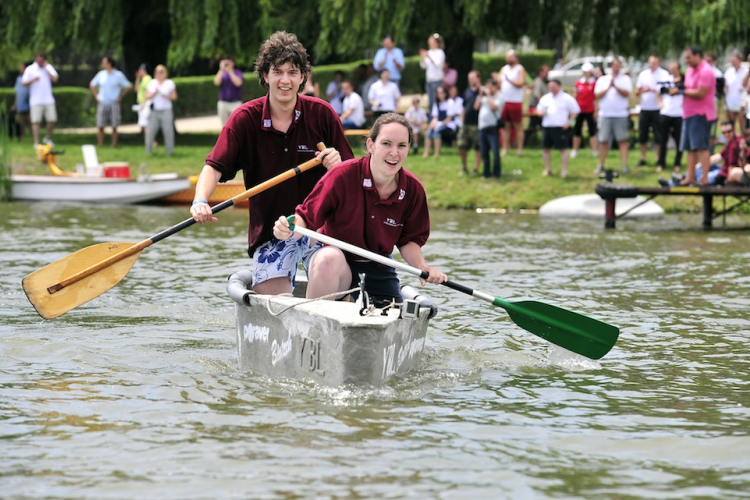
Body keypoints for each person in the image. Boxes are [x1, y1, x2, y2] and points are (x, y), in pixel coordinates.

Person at [190, 31, 354, 296]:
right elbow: (214, 166)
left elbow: (353, 179)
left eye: (293, 72)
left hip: (320, 231)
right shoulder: (244, 118)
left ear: (303, 77)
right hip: (270, 233)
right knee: (275, 305)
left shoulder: (322, 114)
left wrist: (339, 167)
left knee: (330, 267)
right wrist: (200, 200)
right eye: (278, 71)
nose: (285, 80)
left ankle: (335, 307)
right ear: (265, 75)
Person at [272, 112, 447, 304]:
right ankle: (315, 324)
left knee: (393, 317)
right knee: (329, 259)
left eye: (401, 146)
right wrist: (287, 230)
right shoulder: (342, 175)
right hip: (330, 257)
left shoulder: (414, 190)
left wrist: (423, 267)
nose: (394, 153)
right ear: (371, 145)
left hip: (378, 264)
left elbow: (409, 241)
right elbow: (306, 218)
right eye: (386, 143)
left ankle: (348, 298)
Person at [678, 46, 716, 185]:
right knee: (689, 148)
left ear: (697, 55)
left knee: (701, 147)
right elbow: (688, 88)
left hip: (701, 114)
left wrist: (681, 91)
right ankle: (690, 177)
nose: (686, 60)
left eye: (689, 57)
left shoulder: (706, 71)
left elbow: (700, 93)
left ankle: (704, 179)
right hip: (688, 114)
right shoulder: (689, 71)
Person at [662, 122, 741, 187]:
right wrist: (701, 165)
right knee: (702, 168)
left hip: (725, 175)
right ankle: (682, 178)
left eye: (729, 131)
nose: (726, 135)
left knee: (702, 174)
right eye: (724, 133)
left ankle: (675, 182)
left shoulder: (735, 144)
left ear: (734, 130)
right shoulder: (731, 143)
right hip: (722, 170)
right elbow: (718, 157)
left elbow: (732, 166)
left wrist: (729, 181)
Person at [594, 58, 633, 174]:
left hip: (620, 114)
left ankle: (624, 165)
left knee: (622, 140)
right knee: (603, 141)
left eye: (618, 65)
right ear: (611, 67)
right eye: (614, 65)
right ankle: (600, 164)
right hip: (605, 114)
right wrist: (608, 87)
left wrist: (615, 86)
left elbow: (627, 93)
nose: (616, 68)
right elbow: (597, 95)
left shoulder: (625, 79)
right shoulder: (602, 80)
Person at [537, 79, 580, 178]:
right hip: (547, 126)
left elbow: (576, 111)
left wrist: (570, 122)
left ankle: (564, 170)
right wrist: (541, 113)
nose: (552, 88)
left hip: (560, 127)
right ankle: (547, 168)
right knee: (545, 148)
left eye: (554, 86)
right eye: (550, 86)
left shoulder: (566, 98)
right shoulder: (545, 98)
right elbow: (538, 110)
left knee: (563, 148)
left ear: (559, 86)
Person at [89, 56, 132, 148]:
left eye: (104, 62)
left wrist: (120, 96)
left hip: (114, 103)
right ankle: (100, 145)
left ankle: (114, 145)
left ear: (109, 63)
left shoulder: (118, 75)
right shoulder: (101, 74)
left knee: (114, 126)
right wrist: (96, 96)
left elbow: (128, 86)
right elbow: (92, 85)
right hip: (102, 102)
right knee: (100, 126)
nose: (102, 63)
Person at [636, 55, 670, 167]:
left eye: (654, 62)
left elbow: (666, 90)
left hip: (658, 108)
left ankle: (658, 157)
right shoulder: (643, 74)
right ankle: (643, 158)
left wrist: (652, 89)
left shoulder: (664, 74)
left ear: (659, 63)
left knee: (658, 134)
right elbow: (637, 90)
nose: (652, 64)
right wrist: (641, 91)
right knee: (643, 134)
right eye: (650, 62)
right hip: (645, 107)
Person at [494, 49, 527, 157]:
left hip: (515, 101)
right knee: (506, 126)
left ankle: (520, 149)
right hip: (505, 101)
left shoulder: (520, 69)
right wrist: (496, 79)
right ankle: (505, 148)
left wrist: (509, 80)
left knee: (518, 126)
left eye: (510, 57)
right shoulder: (504, 69)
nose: (508, 59)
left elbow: (521, 83)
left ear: (516, 58)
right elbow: (500, 83)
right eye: (507, 57)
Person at [22, 52, 59, 148]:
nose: (40, 63)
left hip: (48, 99)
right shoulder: (30, 69)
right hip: (35, 100)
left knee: (52, 119)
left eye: (42, 61)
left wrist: (46, 68)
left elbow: (55, 79)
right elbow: (24, 82)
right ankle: (36, 142)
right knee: (36, 121)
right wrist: (33, 79)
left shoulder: (48, 67)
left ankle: (47, 138)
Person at [655, 61, 684, 173]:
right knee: (663, 139)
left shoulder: (685, 79)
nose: (671, 70)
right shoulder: (665, 78)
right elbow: (657, 91)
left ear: (679, 68)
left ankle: (677, 163)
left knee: (679, 140)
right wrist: (660, 103)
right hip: (666, 113)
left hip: (679, 113)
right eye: (670, 68)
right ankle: (661, 163)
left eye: (674, 68)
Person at [144, 64, 177, 155]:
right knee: (150, 131)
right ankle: (148, 151)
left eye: (161, 72)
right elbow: (146, 95)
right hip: (154, 110)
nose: (159, 74)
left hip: (166, 110)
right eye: (157, 72)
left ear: (165, 73)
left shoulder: (169, 83)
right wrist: (153, 94)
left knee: (168, 131)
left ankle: (170, 152)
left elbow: (174, 96)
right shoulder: (152, 82)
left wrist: (167, 95)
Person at [475, 78, 503, 178]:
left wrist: (489, 95)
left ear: (495, 86)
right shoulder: (484, 97)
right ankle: (486, 173)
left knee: (495, 152)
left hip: (492, 128)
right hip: (482, 128)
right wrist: (480, 95)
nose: (488, 88)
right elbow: (476, 107)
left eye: (490, 86)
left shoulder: (499, 97)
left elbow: (494, 107)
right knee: (484, 152)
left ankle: (496, 173)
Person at [457, 70, 482, 176]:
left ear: (478, 78)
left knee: (478, 147)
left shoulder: (483, 91)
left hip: (478, 124)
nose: (470, 80)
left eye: (472, 78)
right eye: (469, 78)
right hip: (466, 124)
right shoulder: (467, 91)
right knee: (461, 145)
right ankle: (464, 167)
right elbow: (464, 106)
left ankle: (476, 169)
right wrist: (462, 121)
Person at [572, 62, 597, 158]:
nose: (586, 73)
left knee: (592, 131)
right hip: (579, 110)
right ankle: (575, 150)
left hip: (590, 110)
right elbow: (575, 96)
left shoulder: (594, 83)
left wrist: (596, 111)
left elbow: (596, 99)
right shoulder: (579, 83)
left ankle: (594, 150)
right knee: (577, 130)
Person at [422, 85, 453, 157]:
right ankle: (426, 152)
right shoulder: (437, 104)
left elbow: (449, 118)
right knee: (428, 132)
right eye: (438, 93)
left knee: (436, 132)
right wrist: (432, 125)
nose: (440, 94)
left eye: (441, 92)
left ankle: (437, 153)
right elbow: (435, 117)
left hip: (448, 124)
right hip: (439, 123)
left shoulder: (449, 102)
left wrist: (439, 125)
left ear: (445, 93)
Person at [214, 55, 244, 126]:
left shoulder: (237, 73)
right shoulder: (222, 74)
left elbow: (238, 83)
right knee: (224, 126)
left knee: (238, 124)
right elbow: (216, 82)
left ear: (233, 63)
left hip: (235, 102)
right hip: (223, 103)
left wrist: (230, 72)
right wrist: (221, 69)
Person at [419, 33, 446, 113]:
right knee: (430, 102)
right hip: (429, 80)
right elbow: (423, 66)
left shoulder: (440, 52)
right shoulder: (429, 52)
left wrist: (429, 57)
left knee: (436, 101)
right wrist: (423, 58)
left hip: (437, 80)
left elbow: (438, 64)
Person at [525, 65, 549, 145]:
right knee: (534, 127)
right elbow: (537, 96)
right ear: (540, 72)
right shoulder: (538, 82)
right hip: (535, 109)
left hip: (541, 108)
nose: (547, 74)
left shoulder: (544, 82)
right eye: (546, 72)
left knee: (534, 127)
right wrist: (548, 104)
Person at [723, 53, 746, 132]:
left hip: (742, 102)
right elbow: (725, 84)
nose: (733, 63)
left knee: (743, 126)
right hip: (731, 101)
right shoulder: (729, 71)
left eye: (734, 61)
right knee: (731, 126)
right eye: (731, 61)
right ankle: (733, 143)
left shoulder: (746, 70)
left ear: (739, 60)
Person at [11, 62, 31, 142]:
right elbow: (17, 93)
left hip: (29, 104)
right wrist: (15, 104)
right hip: (20, 105)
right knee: (20, 122)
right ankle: (21, 137)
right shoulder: (19, 79)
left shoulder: (30, 79)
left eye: (22, 67)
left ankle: (35, 138)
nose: (20, 68)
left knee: (31, 122)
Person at [134, 64, 152, 137]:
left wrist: (144, 103)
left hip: (145, 103)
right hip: (142, 103)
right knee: (143, 123)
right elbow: (136, 90)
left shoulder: (147, 78)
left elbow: (147, 91)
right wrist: (137, 79)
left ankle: (151, 141)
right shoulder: (142, 79)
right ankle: (148, 140)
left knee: (145, 123)